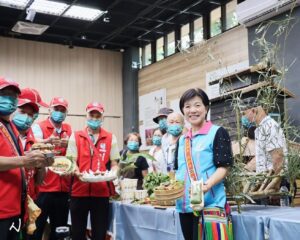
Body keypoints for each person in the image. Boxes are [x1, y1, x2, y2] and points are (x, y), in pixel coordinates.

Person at [175, 88, 233, 240]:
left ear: (206, 108)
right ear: (183, 110)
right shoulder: (182, 140)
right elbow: (179, 171)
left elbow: (224, 167)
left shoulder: (217, 132)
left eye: (197, 105)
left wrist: (207, 186)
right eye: (187, 106)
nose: (192, 110)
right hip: (185, 206)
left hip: (209, 204)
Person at [0, 77, 52, 240]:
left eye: (13, 96)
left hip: (17, 209)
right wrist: (25, 160)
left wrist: (42, 163)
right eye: (4, 94)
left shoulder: (11, 128)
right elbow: (21, 162)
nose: (9, 100)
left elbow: (36, 180)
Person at [66, 102, 120, 240]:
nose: (94, 119)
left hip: (101, 192)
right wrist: (76, 171)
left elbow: (115, 163)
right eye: (92, 115)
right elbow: (71, 161)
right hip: (78, 191)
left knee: (99, 233)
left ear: (102, 118)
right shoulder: (76, 136)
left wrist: (114, 173)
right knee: (77, 233)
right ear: (86, 115)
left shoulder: (110, 137)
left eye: (98, 116)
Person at [32, 97, 72, 240]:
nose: (59, 113)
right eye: (56, 109)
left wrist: (70, 145)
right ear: (49, 110)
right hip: (43, 188)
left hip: (63, 188)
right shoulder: (39, 127)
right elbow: (32, 145)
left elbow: (72, 155)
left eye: (62, 110)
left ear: (66, 113)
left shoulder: (68, 129)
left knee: (60, 231)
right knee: (37, 229)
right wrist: (47, 141)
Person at [241, 97, 287, 190]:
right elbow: (262, 156)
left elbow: (278, 158)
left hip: (274, 182)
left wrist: (275, 186)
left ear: (253, 111)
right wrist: (245, 169)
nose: (244, 118)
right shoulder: (259, 129)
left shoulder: (270, 126)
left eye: (244, 113)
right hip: (265, 181)